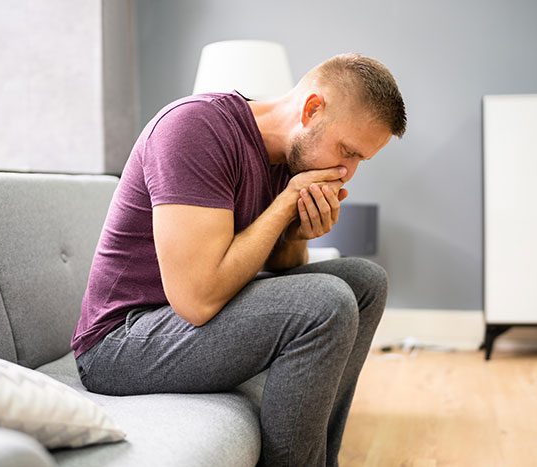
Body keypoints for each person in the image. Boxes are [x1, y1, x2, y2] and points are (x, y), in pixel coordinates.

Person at [71, 52, 406, 466]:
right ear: (312, 109)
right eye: (347, 150)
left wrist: (296, 232)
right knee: (327, 301)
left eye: (359, 160)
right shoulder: (195, 129)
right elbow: (196, 300)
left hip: (186, 326)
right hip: (119, 344)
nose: (346, 171)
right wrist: (284, 206)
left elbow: (283, 269)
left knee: (365, 282)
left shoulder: (292, 159)